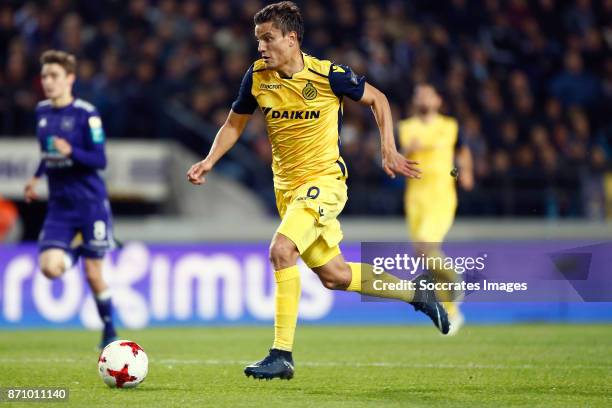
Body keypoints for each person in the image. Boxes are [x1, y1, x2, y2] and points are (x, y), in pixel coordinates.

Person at [187, 1, 450, 381]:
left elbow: (379, 99)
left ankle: (281, 354)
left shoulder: (329, 75)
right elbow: (234, 123)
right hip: (288, 190)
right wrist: (210, 160)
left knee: (281, 250)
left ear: (291, 39)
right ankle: (418, 295)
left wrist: (388, 148)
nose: (261, 47)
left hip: (324, 182)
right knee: (335, 276)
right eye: (258, 39)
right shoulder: (258, 76)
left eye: (268, 38)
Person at [23, 50, 118, 349]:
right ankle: (78, 251)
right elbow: (48, 153)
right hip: (60, 206)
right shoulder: (41, 112)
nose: (48, 82)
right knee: (50, 268)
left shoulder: (86, 114)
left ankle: (109, 331)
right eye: (45, 76)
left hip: (90, 203)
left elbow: (100, 160)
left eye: (54, 76)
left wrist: (72, 152)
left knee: (93, 275)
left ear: (70, 79)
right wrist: (37, 176)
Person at [399, 84, 474, 335]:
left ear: (438, 100)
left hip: (441, 195)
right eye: (418, 94)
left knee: (424, 245)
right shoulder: (406, 127)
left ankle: (454, 280)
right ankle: (451, 312)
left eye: (427, 94)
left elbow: (462, 151)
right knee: (423, 255)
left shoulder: (450, 126)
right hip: (415, 198)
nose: (423, 98)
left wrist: (465, 172)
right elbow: (398, 156)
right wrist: (408, 150)